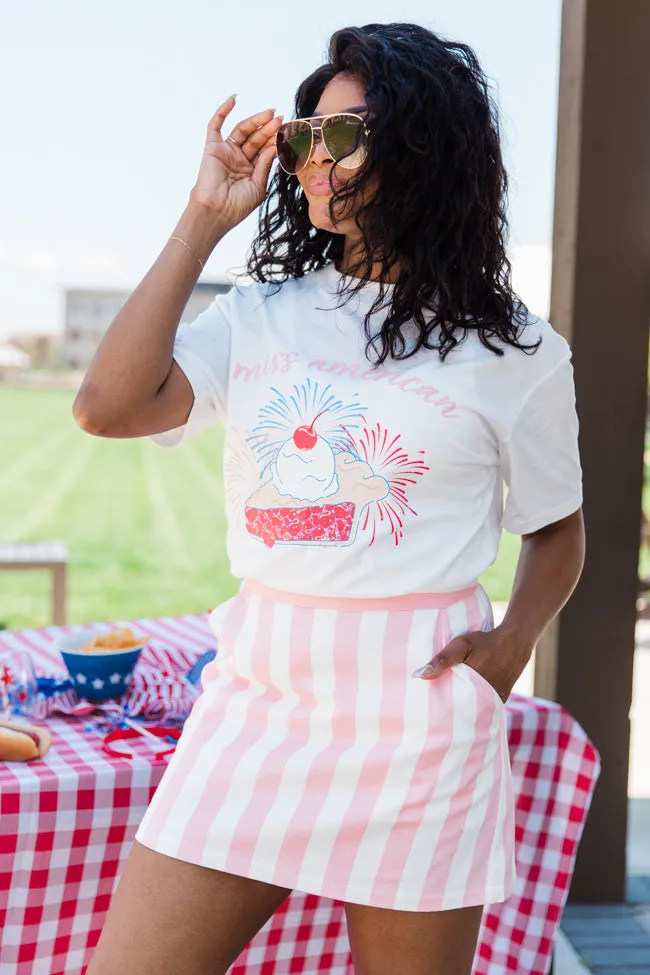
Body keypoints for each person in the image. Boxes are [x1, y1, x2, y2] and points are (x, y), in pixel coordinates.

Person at [77, 22, 585, 975]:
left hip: (421, 724)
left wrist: (512, 645)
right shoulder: (261, 314)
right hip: (256, 707)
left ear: (425, 149)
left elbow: (558, 531)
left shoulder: (520, 353)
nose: (315, 158)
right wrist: (201, 219)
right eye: (307, 135)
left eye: (344, 135)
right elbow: (107, 407)